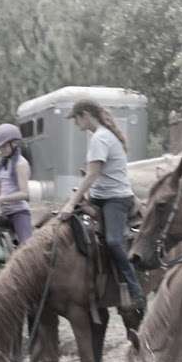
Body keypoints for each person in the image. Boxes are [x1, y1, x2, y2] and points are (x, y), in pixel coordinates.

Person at [57, 99, 146, 312]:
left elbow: (93, 174)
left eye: (77, 119)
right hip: (99, 196)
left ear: (85, 115)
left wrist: (72, 202)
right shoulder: (99, 136)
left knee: (114, 241)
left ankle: (135, 290)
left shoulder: (101, 137)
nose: (76, 125)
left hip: (116, 198)